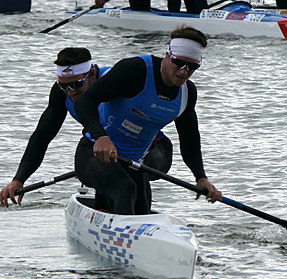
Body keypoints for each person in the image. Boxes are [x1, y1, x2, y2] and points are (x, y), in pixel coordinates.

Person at [73, 25, 222, 216]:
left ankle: (112, 218)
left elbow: (189, 139)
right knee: (125, 189)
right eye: (179, 63)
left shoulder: (187, 93)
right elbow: (85, 102)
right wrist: (101, 136)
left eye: (192, 66)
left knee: (141, 209)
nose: (184, 72)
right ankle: (121, 238)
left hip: (133, 163)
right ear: (168, 55)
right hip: (93, 153)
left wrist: (201, 177)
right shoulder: (135, 70)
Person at [0, 47, 173, 207]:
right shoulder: (61, 93)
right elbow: (42, 137)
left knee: (131, 186)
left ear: (92, 73)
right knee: (117, 181)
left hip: (151, 148)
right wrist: (18, 180)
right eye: (64, 85)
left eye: (77, 84)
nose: (71, 92)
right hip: (104, 147)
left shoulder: (114, 81)